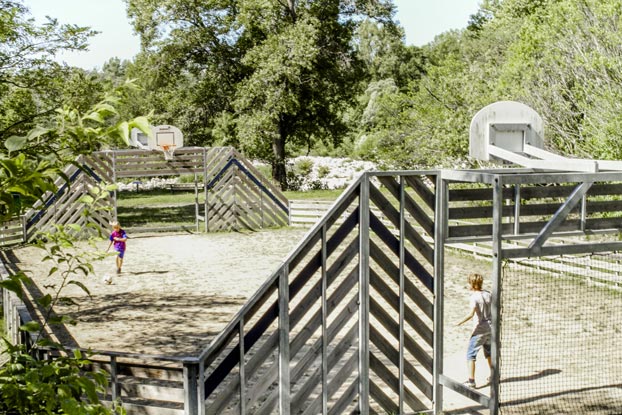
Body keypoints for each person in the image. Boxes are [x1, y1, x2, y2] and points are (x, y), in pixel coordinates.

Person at [456, 273, 492, 388]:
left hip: (479, 330)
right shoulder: (488, 294)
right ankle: (494, 376)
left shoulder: (474, 297)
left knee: (470, 355)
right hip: (491, 328)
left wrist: (459, 322)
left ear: (472, 284)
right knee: (489, 353)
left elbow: (471, 314)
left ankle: (471, 381)